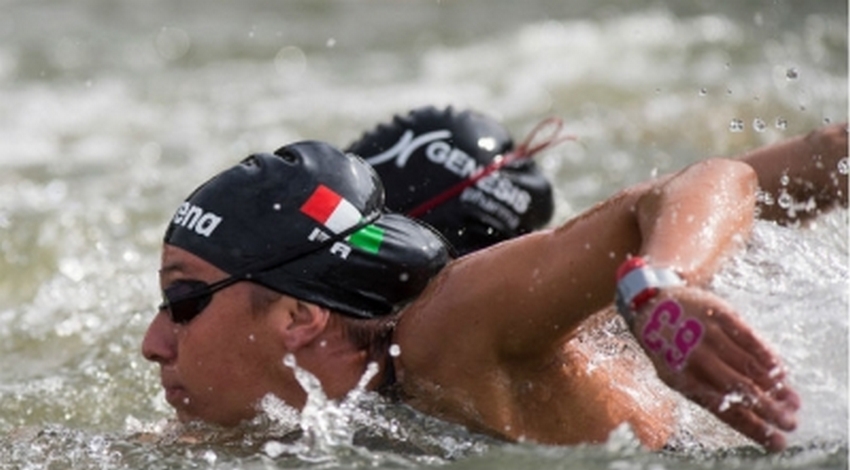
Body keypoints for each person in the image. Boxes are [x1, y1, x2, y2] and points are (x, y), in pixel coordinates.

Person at [142, 120, 846, 453]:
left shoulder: (447, 333)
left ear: (299, 314)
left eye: (183, 302)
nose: (152, 342)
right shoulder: (284, 419)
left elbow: (713, 180)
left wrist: (666, 283)